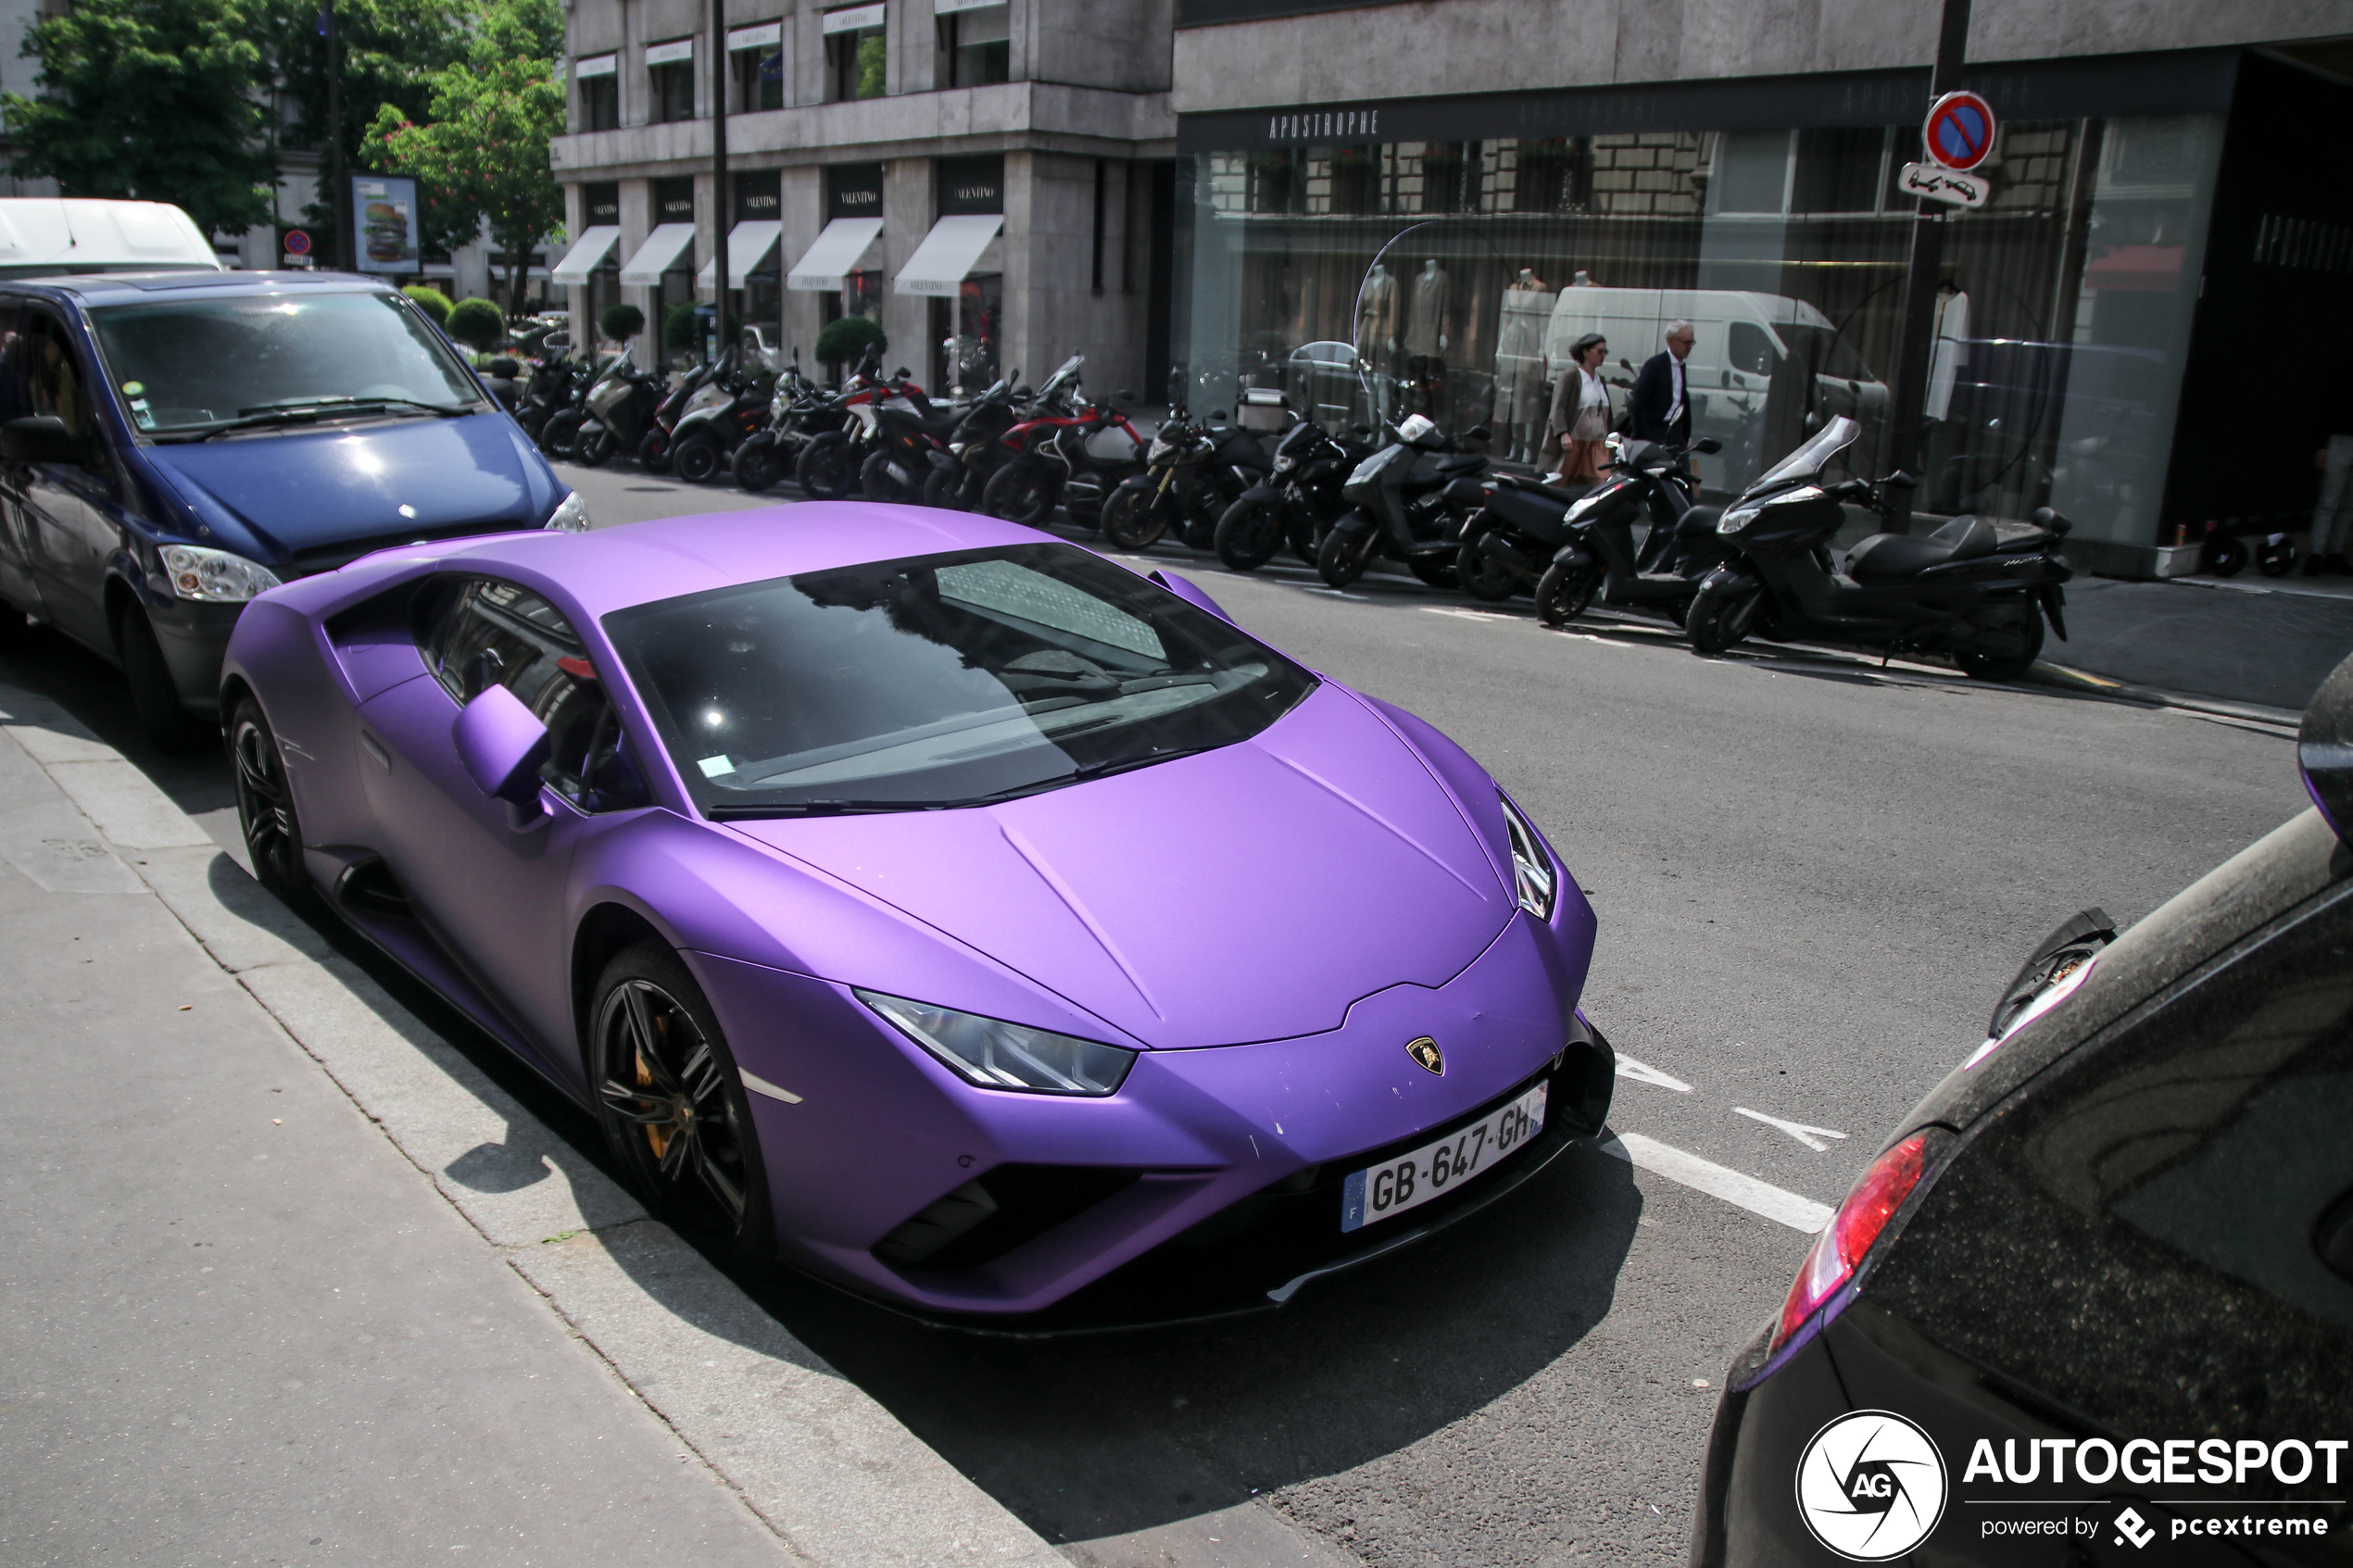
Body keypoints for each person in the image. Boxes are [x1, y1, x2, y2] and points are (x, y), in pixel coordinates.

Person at [1543, 332, 1612, 483]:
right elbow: (1558, 408)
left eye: (1605, 352)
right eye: (1600, 351)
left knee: (1601, 487)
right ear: (1586, 352)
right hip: (1575, 443)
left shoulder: (1600, 380)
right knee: (1561, 484)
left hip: (1597, 446)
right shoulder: (1571, 375)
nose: (1603, 355)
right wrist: (1563, 433)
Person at [2312, 355, 2353, 576]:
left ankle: (2323, 552)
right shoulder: (2341, 366)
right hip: (2339, 437)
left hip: (2339, 437)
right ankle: (2322, 552)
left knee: (2339, 501)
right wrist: (2321, 443)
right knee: (2332, 500)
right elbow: (2326, 402)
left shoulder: (2340, 366)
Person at [1628, 320, 1695, 445]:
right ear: (1671, 340)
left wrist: (1685, 436)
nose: (1689, 347)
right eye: (1686, 342)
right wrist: (1644, 437)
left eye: (1692, 343)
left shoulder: (1680, 367)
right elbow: (1639, 402)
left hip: (1675, 432)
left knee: (1682, 465)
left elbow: (1681, 400)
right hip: (1655, 431)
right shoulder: (1655, 365)